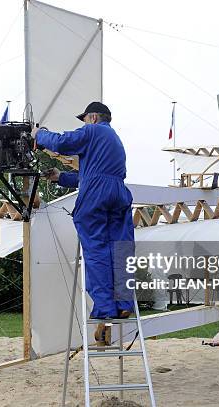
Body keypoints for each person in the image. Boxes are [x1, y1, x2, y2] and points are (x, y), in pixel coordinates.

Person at [33, 102, 135, 340]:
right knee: (120, 248)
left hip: (97, 195)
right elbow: (90, 176)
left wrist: (40, 135)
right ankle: (123, 302)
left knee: (96, 249)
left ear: (92, 117)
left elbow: (61, 143)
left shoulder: (92, 131)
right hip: (118, 193)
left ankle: (105, 308)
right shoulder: (115, 140)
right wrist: (61, 178)